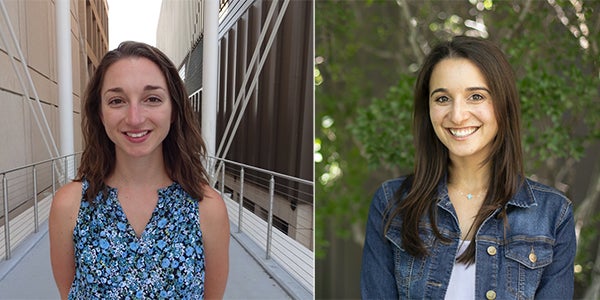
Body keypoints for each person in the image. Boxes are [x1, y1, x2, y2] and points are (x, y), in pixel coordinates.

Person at [360, 36, 576, 299]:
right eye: (442, 99)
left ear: (502, 104)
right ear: (428, 108)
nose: (458, 115)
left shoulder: (553, 214)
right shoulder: (392, 204)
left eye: (476, 96)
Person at [49, 41, 230, 299]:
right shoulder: (69, 205)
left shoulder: (207, 208)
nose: (134, 118)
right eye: (117, 100)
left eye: (152, 99)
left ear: (174, 110)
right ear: (100, 113)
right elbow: (69, 292)